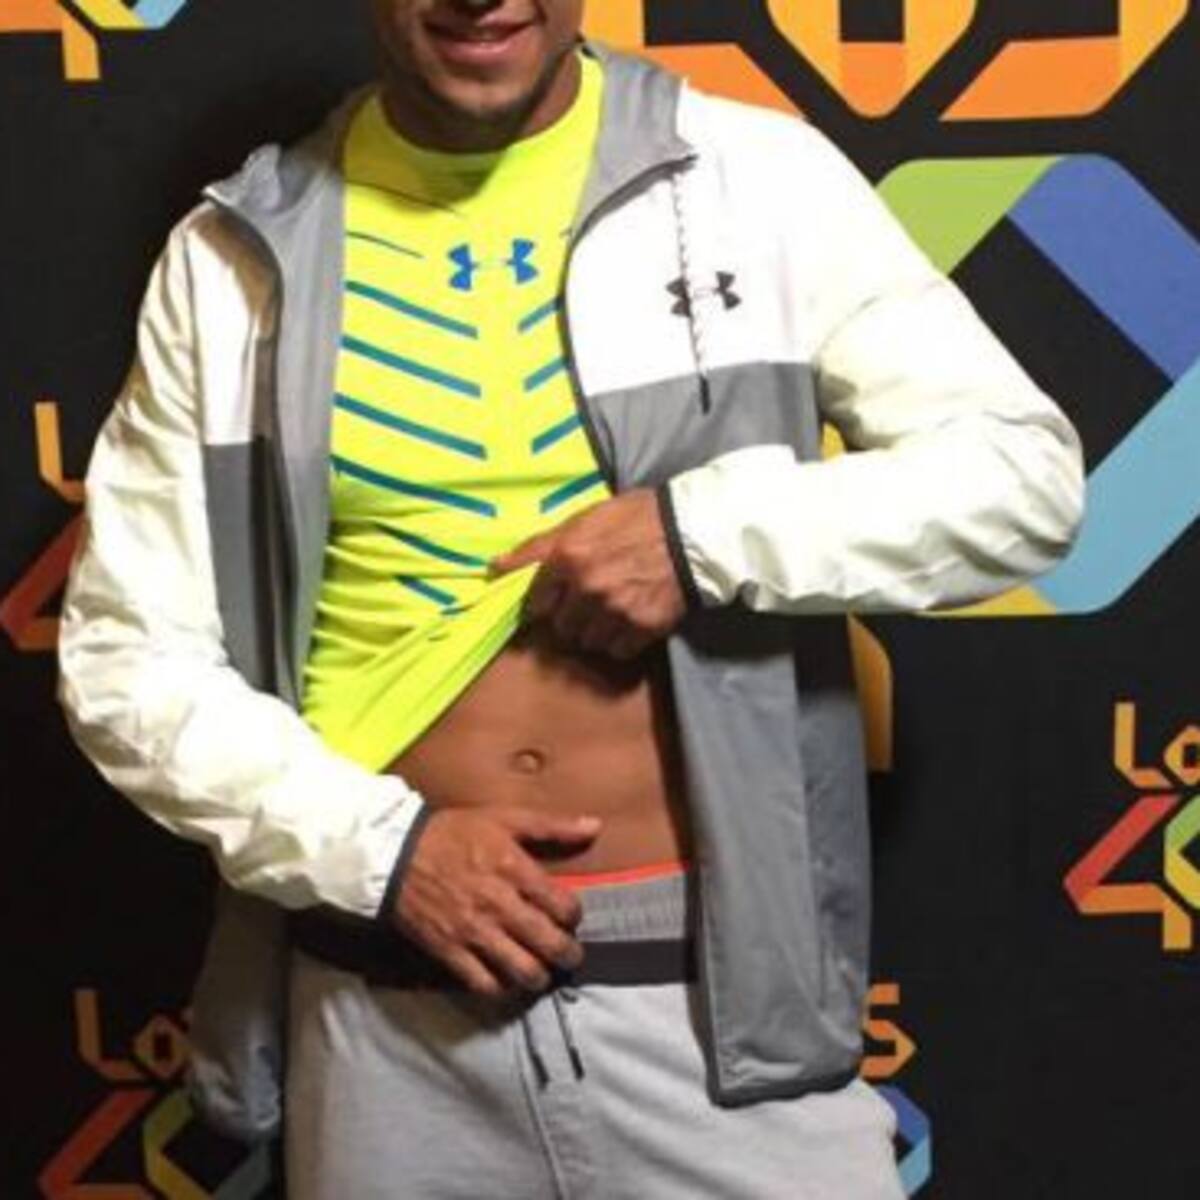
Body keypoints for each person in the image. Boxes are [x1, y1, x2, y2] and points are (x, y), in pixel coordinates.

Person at [57, 1, 1085, 1196]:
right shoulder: (235, 255)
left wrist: (698, 536)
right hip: (385, 1010)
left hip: (713, 1013)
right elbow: (127, 654)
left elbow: (1022, 483)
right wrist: (386, 855)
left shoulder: (756, 181)